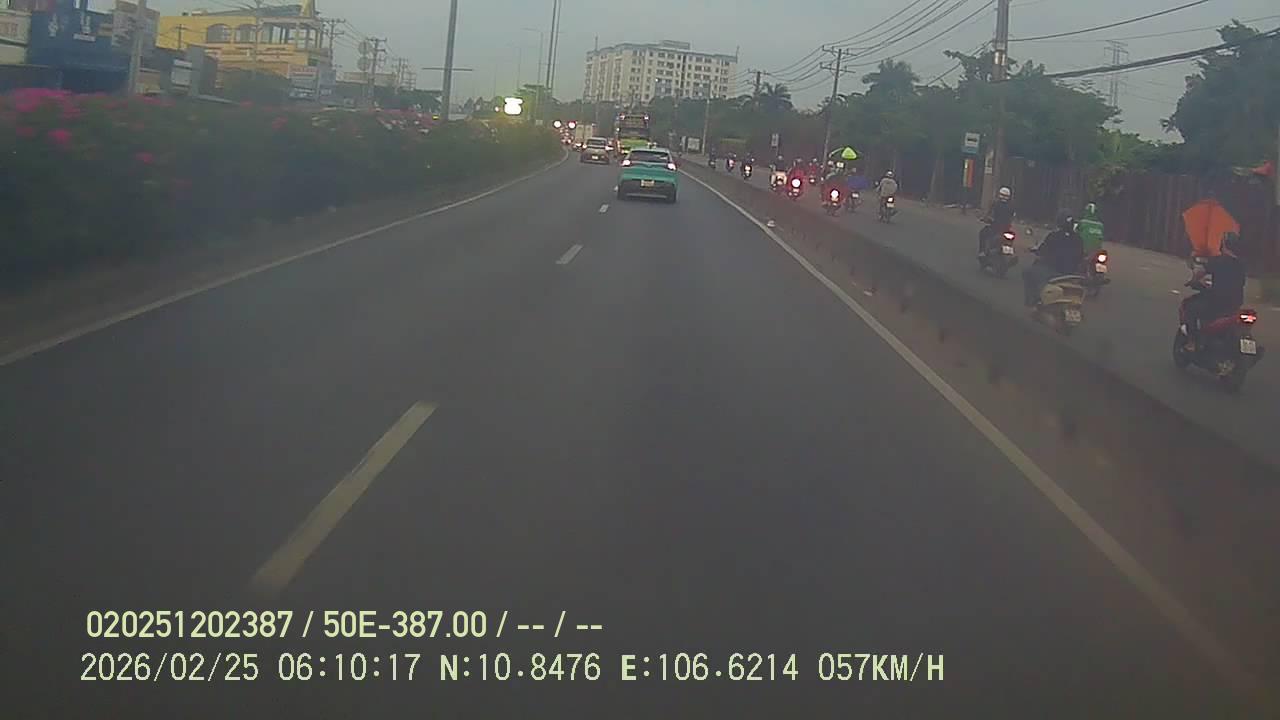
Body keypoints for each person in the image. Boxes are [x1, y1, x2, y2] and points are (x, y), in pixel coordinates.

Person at [1181, 231, 1247, 350]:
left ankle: (1192, 342)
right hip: (1235, 304)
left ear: (1223, 244)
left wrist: (1194, 279)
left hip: (1216, 303)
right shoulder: (1241, 264)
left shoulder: (1218, 260)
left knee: (1191, 308)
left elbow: (1200, 272)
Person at [1023, 211, 1084, 307]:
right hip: (1071, 273)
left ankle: (1033, 302)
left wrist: (1036, 251)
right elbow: (1081, 256)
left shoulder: (1054, 236)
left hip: (1053, 271)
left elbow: (1042, 250)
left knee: (1028, 272)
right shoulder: (1078, 239)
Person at [980, 187, 1015, 256]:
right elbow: (1012, 216)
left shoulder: (995, 204)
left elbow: (989, 214)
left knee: (982, 233)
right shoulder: (1011, 206)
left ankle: (982, 251)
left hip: (995, 228)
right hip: (1006, 229)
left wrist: (986, 219)